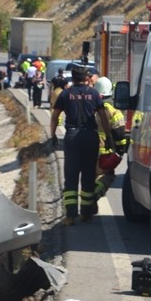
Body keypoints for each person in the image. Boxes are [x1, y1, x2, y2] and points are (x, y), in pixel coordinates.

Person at [50, 66, 114, 225]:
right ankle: (85, 214)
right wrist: (108, 137)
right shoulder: (94, 94)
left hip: (72, 138)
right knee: (88, 175)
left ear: (72, 78)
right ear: (86, 78)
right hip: (90, 137)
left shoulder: (65, 94)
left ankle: (70, 216)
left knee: (71, 176)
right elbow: (103, 117)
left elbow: (55, 116)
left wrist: (52, 135)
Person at [92, 77, 128, 200]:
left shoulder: (89, 107)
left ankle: (88, 203)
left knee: (90, 177)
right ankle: (96, 193)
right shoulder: (113, 111)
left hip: (87, 150)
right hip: (105, 153)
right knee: (108, 176)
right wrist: (121, 150)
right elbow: (119, 133)